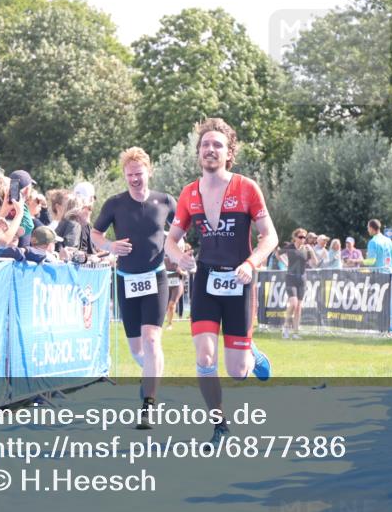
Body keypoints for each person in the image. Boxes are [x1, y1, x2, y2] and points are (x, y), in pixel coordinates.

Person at [165, 118, 278, 447]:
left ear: (230, 153)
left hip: (239, 279)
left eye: (217, 145)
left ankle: (250, 352)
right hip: (205, 281)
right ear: (198, 153)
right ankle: (219, 426)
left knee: (237, 371)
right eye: (205, 145)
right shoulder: (188, 193)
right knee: (204, 355)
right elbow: (171, 241)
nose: (210, 150)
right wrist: (179, 257)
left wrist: (251, 262)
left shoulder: (246, 188)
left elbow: (269, 237)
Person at [92, 147, 176, 428]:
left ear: (148, 171)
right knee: (138, 350)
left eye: (138, 174)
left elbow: (180, 231)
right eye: (129, 175)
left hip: (156, 277)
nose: (134, 180)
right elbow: (95, 234)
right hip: (126, 280)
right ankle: (152, 375)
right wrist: (109, 246)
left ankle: (149, 404)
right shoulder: (115, 204)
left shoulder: (165, 201)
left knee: (152, 340)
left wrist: (179, 247)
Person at [280, 228, 318, 339]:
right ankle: (286, 327)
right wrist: (285, 262)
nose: (303, 239)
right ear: (295, 238)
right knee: (293, 304)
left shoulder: (307, 249)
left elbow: (315, 263)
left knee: (299, 307)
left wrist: (311, 250)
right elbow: (278, 253)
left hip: (302, 279)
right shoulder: (290, 247)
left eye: (304, 237)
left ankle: (296, 333)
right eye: (300, 237)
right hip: (290, 278)